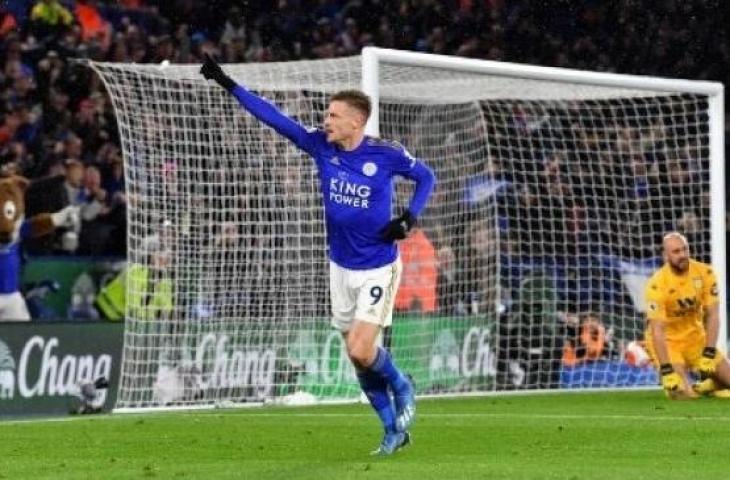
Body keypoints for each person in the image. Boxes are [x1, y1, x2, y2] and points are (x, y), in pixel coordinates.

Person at [201, 55, 436, 455]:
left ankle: (401, 382)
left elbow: (426, 176)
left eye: (333, 115)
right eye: (326, 114)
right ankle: (391, 430)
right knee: (356, 357)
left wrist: (409, 218)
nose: (325, 120)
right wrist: (228, 83)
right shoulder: (318, 145)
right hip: (339, 266)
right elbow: (274, 118)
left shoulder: (385, 154)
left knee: (364, 350)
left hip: (378, 266)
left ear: (355, 123)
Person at [644, 231, 730, 399]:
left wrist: (710, 352)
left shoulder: (705, 273)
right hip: (669, 343)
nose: (682, 254)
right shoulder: (656, 284)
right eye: (676, 251)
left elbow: (713, 314)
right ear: (665, 255)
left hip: (695, 338)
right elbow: (657, 330)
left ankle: (710, 385)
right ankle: (692, 385)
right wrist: (666, 369)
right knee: (684, 394)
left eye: (685, 249)